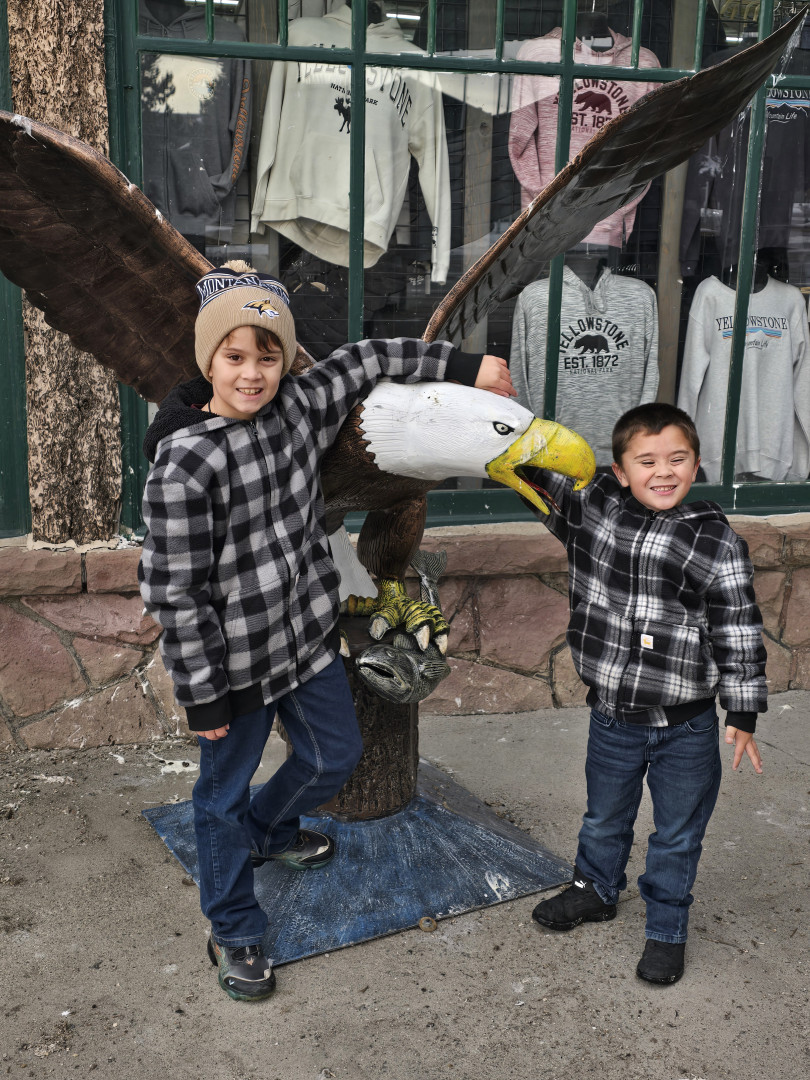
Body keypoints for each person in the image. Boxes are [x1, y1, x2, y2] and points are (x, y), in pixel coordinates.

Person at [138, 262, 515, 1002]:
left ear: (285, 359)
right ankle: (234, 925)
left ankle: (269, 830)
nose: (252, 374)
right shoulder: (184, 463)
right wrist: (202, 693)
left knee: (334, 757)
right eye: (234, 356)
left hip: (305, 644)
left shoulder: (301, 406)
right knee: (218, 802)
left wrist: (466, 367)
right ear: (208, 360)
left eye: (267, 355)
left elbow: (369, 358)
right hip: (234, 669)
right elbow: (174, 591)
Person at [529, 402, 766, 984]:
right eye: (647, 460)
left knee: (677, 834)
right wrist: (492, 421)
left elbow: (738, 627)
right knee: (603, 817)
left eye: (677, 459)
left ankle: (666, 929)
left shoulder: (715, 541)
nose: (664, 471)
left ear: (697, 464)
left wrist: (742, 710)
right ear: (619, 469)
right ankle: (595, 888)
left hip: (687, 725)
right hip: (612, 718)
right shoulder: (593, 510)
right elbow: (533, 473)